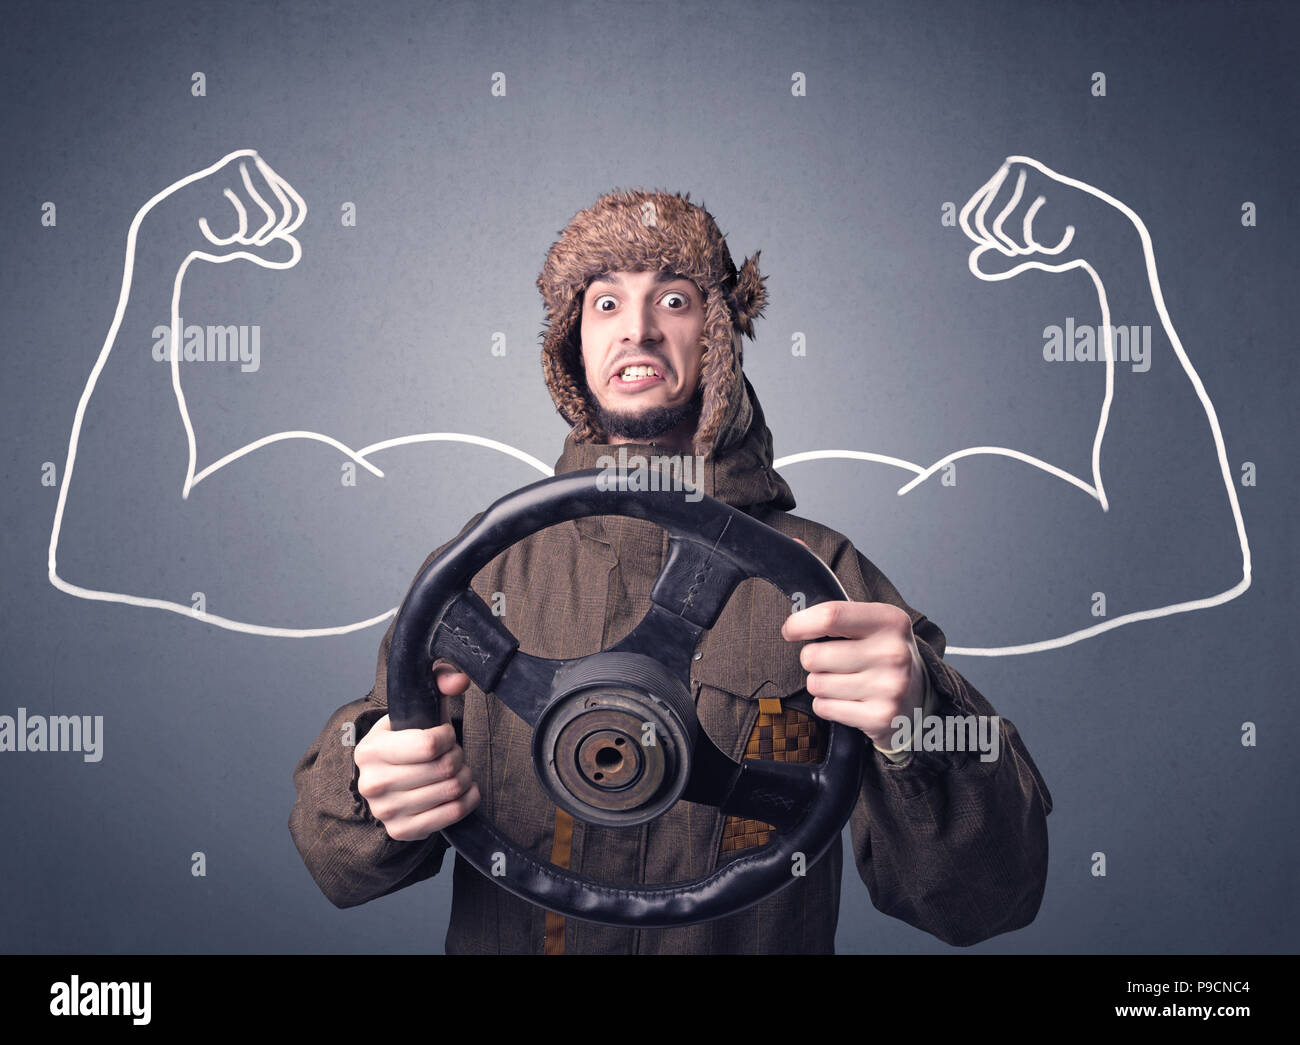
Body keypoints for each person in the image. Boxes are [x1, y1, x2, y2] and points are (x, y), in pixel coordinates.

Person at [288, 188, 1052, 954]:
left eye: (675, 299)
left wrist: (919, 715)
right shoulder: (481, 578)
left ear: (717, 335)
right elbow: (335, 865)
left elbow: (988, 899)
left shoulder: (827, 578)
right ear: (573, 347)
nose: (639, 331)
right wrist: (373, 779)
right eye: (607, 303)